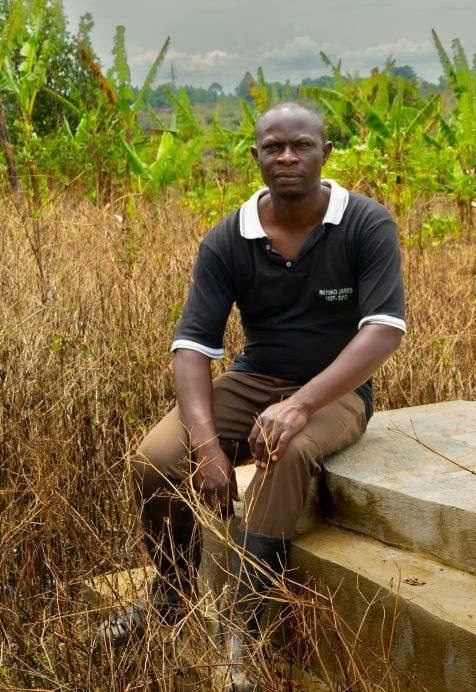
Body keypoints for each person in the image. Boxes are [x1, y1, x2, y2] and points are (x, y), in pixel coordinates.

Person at [100, 102, 405, 691]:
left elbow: (384, 329)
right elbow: (192, 347)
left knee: (286, 453)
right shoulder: (229, 237)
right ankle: (169, 593)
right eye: (273, 148)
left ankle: (243, 631)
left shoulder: (366, 223)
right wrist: (209, 445)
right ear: (256, 157)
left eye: (301, 146)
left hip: (334, 391)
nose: (287, 157)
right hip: (254, 377)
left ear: (325, 153)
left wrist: (302, 404)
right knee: (157, 458)